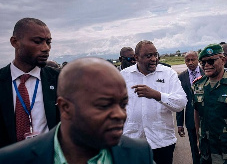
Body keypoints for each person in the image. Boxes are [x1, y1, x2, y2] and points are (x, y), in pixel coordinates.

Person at [0, 58, 154, 164]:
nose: (120, 114)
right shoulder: (13, 159)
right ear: (65, 107)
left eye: (123, 104)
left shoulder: (139, 154)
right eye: (103, 105)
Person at [121, 40, 187, 164]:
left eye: (155, 55)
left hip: (162, 142)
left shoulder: (168, 74)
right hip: (133, 142)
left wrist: (157, 95)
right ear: (136, 57)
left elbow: (181, 103)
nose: (153, 59)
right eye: (148, 56)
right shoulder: (124, 76)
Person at [0, 18, 60, 148]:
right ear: (15, 42)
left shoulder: (59, 80)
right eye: (37, 42)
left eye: (48, 42)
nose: (46, 48)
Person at [176, 51, 203, 164]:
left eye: (193, 60)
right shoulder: (181, 77)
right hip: (191, 119)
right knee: (194, 148)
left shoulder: (207, 72)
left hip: (207, 118)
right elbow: (180, 101)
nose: (191, 62)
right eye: (188, 60)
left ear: (198, 60)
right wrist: (179, 123)